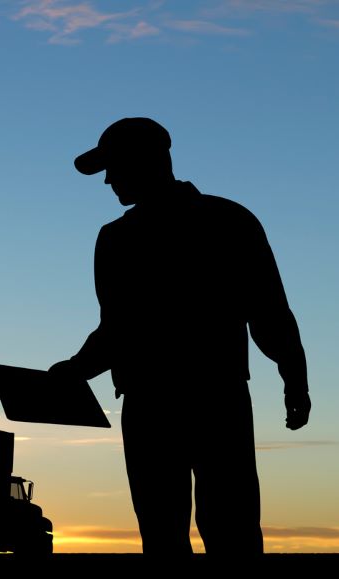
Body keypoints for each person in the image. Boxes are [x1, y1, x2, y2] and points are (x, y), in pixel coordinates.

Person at [50, 117, 311, 555]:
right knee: (173, 529)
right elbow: (118, 328)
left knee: (222, 527)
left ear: (150, 161)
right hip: (176, 400)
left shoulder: (222, 222)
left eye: (115, 166)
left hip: (203, 398)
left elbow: (268, 310)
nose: (109, 179)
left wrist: (295, 378)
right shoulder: (124, 237)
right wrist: (75, 370)